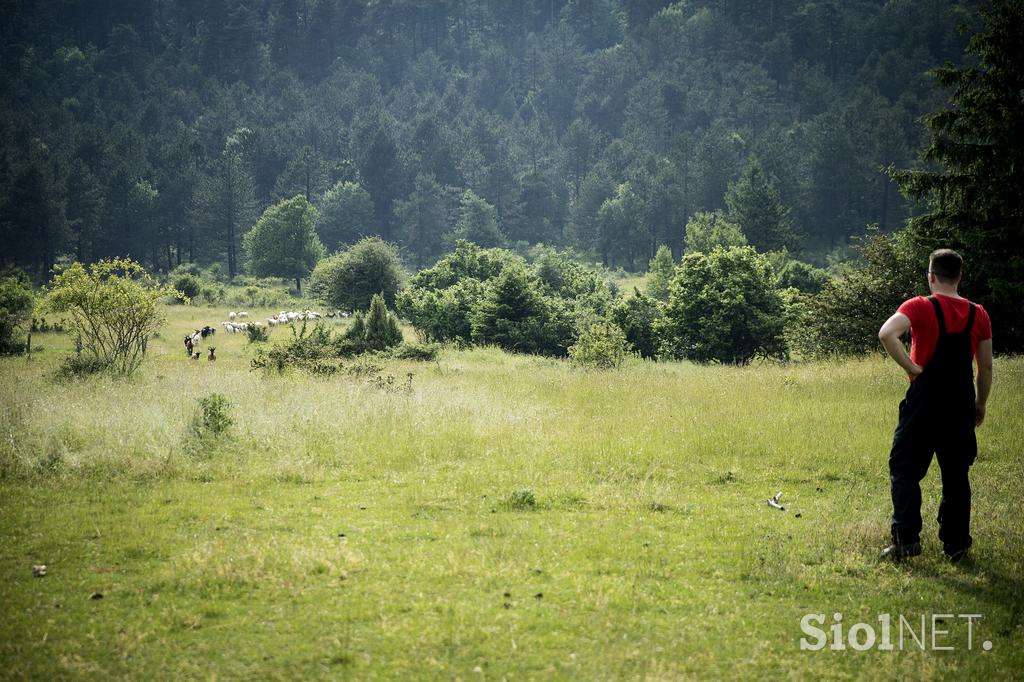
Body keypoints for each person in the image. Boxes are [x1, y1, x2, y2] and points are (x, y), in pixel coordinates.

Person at [877, 249, 993, 562]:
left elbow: (887, 333)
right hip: (960, 404)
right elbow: (985, 367)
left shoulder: (919, 306)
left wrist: (911, 368)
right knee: (956, 475)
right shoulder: (978, 314)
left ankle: (906, 540)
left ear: (931, 276)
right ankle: (956, 545)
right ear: (959, 277)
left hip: (924, 404)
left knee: (904, 470)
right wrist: (980, 404)